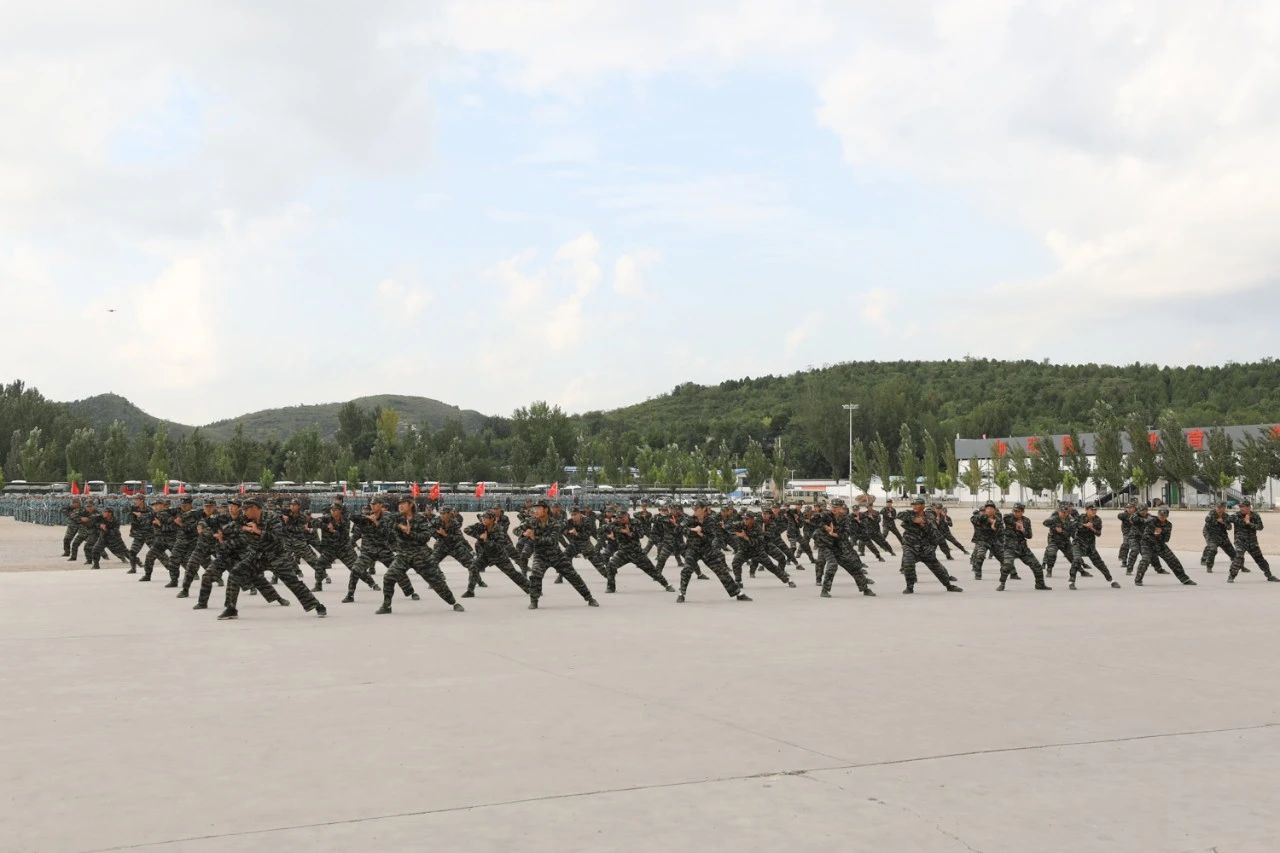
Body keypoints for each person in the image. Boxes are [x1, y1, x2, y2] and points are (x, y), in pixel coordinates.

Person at [217, 498, 327, 620]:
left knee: (293, 583)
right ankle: (231, 608)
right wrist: (244, 528)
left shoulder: (272, 518)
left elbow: (278, 538)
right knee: (235, 573)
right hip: (257, 556)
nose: (244, 512)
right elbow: (229, 528)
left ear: (255, 508)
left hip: (276, 556)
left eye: (246, 509)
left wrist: (258, 531)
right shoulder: (245, 519)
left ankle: (317, 605)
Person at [376, 497, 464, 615]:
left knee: (436, 581)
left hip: (420, 555)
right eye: (399, 504)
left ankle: (453, 602)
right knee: (388, 577)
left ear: (410, 505)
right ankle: (387, 606)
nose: (400, 506)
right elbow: (385, 521)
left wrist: (410, 533)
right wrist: (400, 527)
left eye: (403, 503)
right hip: (403, 555)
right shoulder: (397, 517)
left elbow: (425, 537)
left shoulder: (420, 518)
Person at [524, 500, 599, 609]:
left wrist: (534, 537)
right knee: (535, 575)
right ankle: (534, 601)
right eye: (535, 508)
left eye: (538, 508)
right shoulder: (531, 522)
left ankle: (589, 598)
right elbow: (516, 531)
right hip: (540, 555)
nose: (536, 510)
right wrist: (524, 533)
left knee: (573, 576)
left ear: (545, 509)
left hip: (556, 555)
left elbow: (552, 540)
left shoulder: (555, 523)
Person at [676, 502, 751, 603]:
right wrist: (692, 530)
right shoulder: (689, 519)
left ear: (703, 509)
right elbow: (678, 529)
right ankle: (681, 594)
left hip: (707, 550)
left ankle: (738, 593)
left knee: (721, 571)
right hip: (692, 549)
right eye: (694, 508)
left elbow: (711, 538)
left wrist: (701, 533)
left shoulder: (710, 521)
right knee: (686, 570)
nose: (694, 510)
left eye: (697, 508)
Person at [899, 496, 962, 594]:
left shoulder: (929, 515)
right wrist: (914, 519)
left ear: (923, 506)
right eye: (913, 505)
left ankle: (949, 586)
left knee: (937, 568)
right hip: (910, 546)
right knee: (908, 564)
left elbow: (933, 531)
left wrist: (924, 525)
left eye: (917, 505)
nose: (914, 506)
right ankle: (909, 587)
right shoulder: (909, 513)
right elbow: (899, 515)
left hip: (925, 547)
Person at [603, 509, 675, 593]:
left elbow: (641, 534)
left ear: (627, 516)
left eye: (622, 517)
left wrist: (630, 534)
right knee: (610, 566)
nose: (620, 519)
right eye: (618, 518)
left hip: (637, 553)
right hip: (623, 553)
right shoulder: (616, 523)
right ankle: (611, 587)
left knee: (652, 571)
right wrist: (620, 530)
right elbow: (604, 528)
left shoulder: (635, 522)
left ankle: (666, 585)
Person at [462, 510, 530, 598]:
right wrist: (479, 536)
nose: (483, 519)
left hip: (499, 556)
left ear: (492, 519)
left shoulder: (499, 530)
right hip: (486, 555)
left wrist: (486, 541)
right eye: (483, 517)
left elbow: (498, 546)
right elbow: (466, 529)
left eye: (486, 518)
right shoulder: (480, 526)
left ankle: (531, 588)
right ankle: (470, 591)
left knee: (513, 574)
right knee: (473, 567)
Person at [817, 500, 875, 598]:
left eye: (836, 507)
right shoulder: (826, 515)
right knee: (832, 564)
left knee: (853, 566)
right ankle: (824, 590)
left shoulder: (845, 519)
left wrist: (835, 534)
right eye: (833, 507)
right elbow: (815, 521)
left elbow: (846, 534)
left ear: (841, 508)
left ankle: (865, 589)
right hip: (826, 545)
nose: (834, 509)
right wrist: (825, 527)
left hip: (838, 546)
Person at [1133, 508, 1195, 587]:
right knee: (1145, 560)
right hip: (1147, 543)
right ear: (1158, 515)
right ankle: (1138, 579)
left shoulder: (1168, 525)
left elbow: (1166, 539)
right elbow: (1140, 520)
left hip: (1160, 544)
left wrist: (1161, 532)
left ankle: (1185, 579)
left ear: (1167, 516)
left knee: (1173, 560)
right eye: (1160, 515)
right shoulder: (1152, 520)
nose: (1162, 517)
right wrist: (1153, 529)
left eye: (1164, 516)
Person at [996, 503, 1050, 592]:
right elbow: (1005, 518)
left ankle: (1040, 584)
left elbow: (1029, 535)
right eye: (1014, 511)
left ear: (1022, 512)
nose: (1016, 513)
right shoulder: (1009, 517)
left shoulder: (1026, 521)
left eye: (1018, 511)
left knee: (1037, 566)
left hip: (1022, 548)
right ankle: (1002, 584)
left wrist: (1023, 530)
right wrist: (1016, 524)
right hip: (1010, 547)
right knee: (1007, 565)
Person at [1068, 504, 1120, 590]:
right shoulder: (1080, 517)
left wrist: (1092, 528)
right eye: (1091, 510)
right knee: (1076, 560)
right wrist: (1084, 525)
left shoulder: (1097, 519)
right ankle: (1071, 581)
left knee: (1099, 563)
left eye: (1095, 510)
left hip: (1090, 546)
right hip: (1078, 544)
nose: (1094, 511)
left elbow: (1098, 534)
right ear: (1086, 510)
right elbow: (1072, 525)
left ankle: (1111, 580)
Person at [1228, 499, 1276, 582]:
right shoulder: (1236, 515)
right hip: (1240, 541)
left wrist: (1249, 523)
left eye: (1243, 507)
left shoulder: (1255, 515)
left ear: (1249, 507)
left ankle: (1269, 576)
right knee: (1239, 557)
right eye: (1240, 507)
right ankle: (1231, 577)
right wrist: (1229, 526)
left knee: (1259, 559)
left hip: (1252, 542)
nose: (1241, 508)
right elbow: (1226, 519)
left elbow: (1260, 527)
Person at [969, 501, 1004, 580]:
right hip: (982, 540)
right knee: (980, 555)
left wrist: (994, 526)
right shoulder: (981, 517)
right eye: (988, 508)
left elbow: (1000, 531)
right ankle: (978, 573)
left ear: (994, 510)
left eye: (991, 508)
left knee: (1003, 558)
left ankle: (1005, 572)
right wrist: (987, 519)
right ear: (985, 510)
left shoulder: (998, 519)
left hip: (993, 540)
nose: (990, 510)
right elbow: (973, 519)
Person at [1201, 501, 1236, 573]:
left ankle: (1237, 562)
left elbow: (1229, 527)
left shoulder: (1226, 516)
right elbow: (1207, 520)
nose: (1219, 509)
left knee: (1232, 552)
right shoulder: (1212, 513)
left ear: (1224, 508)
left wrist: (1223, 522)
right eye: (1218, 507)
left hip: (1222, 534)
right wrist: (1216, 520)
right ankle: (1208, 565)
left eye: (1221, 508)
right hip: (1210, 533)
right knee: (1212, 548)